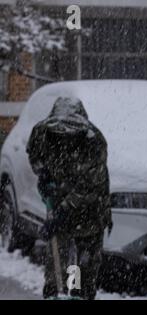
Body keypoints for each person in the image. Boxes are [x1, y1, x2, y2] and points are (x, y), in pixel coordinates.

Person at [27, 97, 112, 300]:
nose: (64, 136)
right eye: (59, 132)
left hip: (91, 208)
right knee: (57, 266)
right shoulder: (42, 133)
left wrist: (62, 213)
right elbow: (34, 158)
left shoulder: (94, 142)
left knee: (84, 271)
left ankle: (81, 293)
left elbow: (89, 188)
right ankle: (54, 291)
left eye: (70, 132)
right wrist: (44, 177)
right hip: (59, 199)